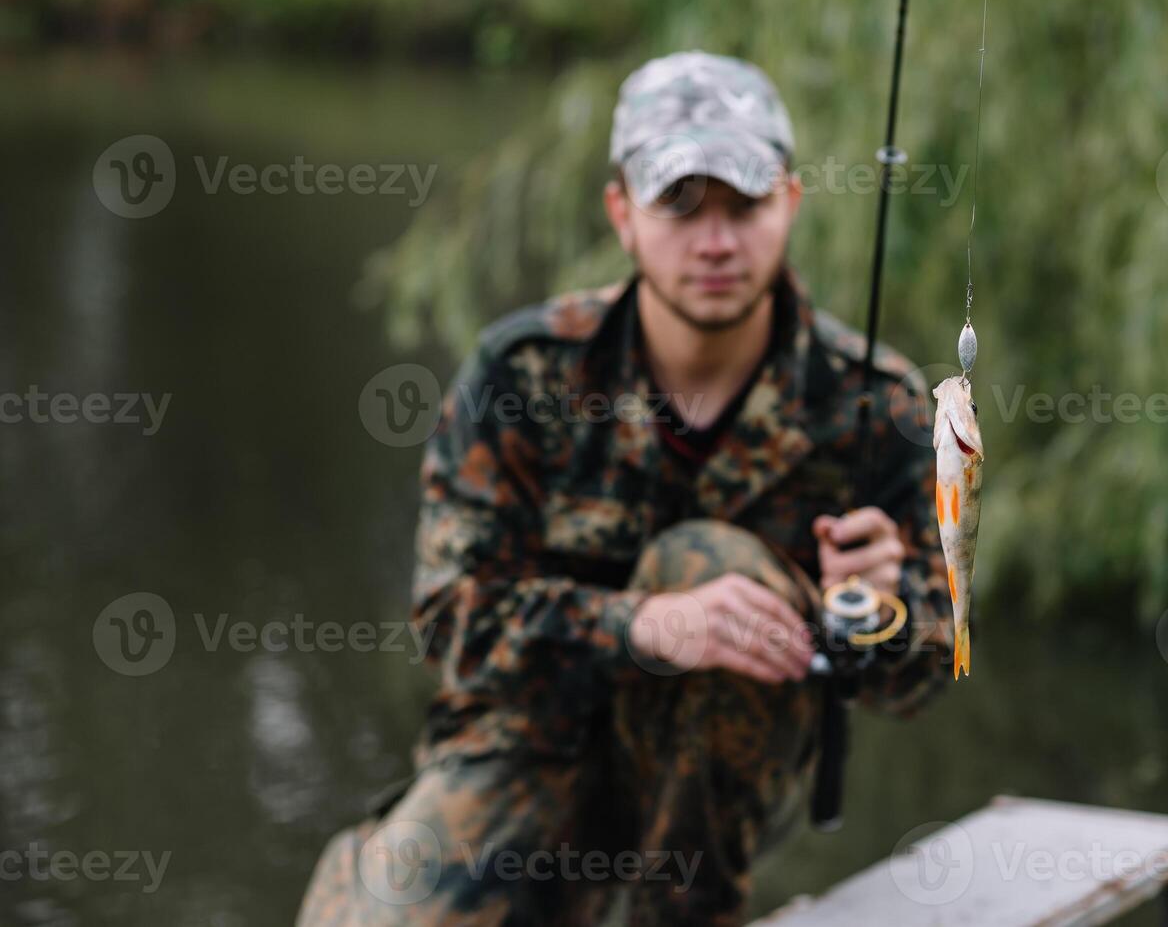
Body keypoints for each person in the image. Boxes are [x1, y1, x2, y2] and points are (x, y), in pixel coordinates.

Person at [298, 49, 955, 926]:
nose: (716, 241)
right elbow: (452, 621)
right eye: (680, 204)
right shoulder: (524, 372)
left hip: (727, 781)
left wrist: (879, 611)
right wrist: (644, 625)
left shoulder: (879, 402)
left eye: (746, 203)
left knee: (706, 559)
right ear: (622, 214)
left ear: (791, 201)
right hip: (531, 749)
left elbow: (927, 665)